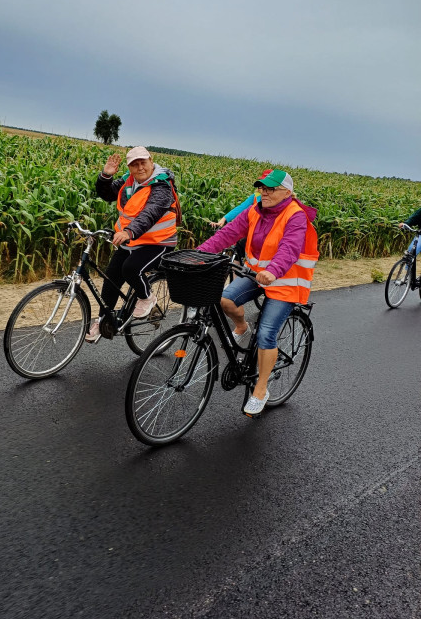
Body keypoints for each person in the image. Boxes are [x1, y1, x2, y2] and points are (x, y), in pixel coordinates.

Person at [198, 169, 319, 417]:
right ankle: (241, 326)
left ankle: (261, 389)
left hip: (285, 281)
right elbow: (228, 234)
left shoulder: (295, 215)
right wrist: (199, 254)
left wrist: (274, 271)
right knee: (224, 300)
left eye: (270, 188)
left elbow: (290, 247)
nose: (264, 192)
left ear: (288, 193)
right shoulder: (255, 211)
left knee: (266, 334)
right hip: (258, 275)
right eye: (262, 188)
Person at [86, 146, 179, 343]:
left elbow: (151, 211)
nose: (139, 168)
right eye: (134, 164)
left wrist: (129, 232)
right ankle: (104, 321)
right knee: (111, 279)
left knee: (131, 268)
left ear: (151, 161)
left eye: (142, 162)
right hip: (133, 241)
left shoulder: (162, 185)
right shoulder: (129, 180)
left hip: (158, 242)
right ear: (129, 167)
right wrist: (105, 176)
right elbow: (109, 194)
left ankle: (147, 297)